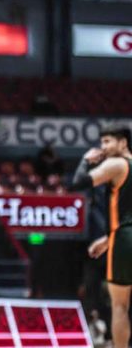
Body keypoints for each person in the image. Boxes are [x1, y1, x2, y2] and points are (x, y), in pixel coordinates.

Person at [75, 125, 132, 348]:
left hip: (124, 238)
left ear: (123, 143)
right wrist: (108, 239)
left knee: (119, 305)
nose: (103, 147)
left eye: (108, 142)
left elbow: (79, 183)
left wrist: (85, 161)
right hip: (120, 236)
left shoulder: (116, 166)